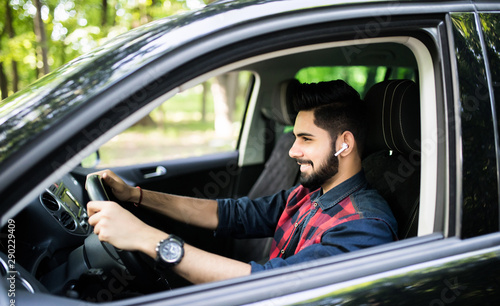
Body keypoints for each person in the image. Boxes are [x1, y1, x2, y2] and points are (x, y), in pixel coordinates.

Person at [87, 80, 397, 285]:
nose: (293, 151)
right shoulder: (308, 193)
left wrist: (146, 239)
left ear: (344, 144)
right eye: (294, 138)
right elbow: (228, 214)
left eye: (306, 139)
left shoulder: (365, 225)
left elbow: (270, 285)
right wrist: (136, 196)